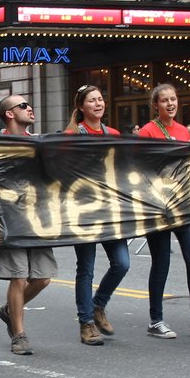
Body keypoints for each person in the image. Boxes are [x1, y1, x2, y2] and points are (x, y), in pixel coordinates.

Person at [138, 84, 190, 339]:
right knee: (161, 261)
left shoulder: (184, 131)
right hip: (159, 206)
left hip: (184, 204)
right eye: (164, 101)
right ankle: (156, 319)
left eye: (173, 99)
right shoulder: (147, 131)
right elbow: (143, 169)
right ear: (156, 105)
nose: (170, 104)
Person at [63, 85, 129, 346]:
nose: (98, 104)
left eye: (100, 99)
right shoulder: (71, 135)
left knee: (122, 263)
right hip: (85, 211)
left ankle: (98, 304)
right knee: (86, 269)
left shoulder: (113, 134)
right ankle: (86, 323)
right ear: (81, 107)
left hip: (111, 210)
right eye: (92, 101)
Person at [0, 94, 56, 355]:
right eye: (23, 106)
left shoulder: (39, 142)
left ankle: (9, 310)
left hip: (38, 219)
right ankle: (19, 335)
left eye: (29, 104)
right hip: (10, 218)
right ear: (9, 114)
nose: (30, 108)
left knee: (42, 279)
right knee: (18, 276)